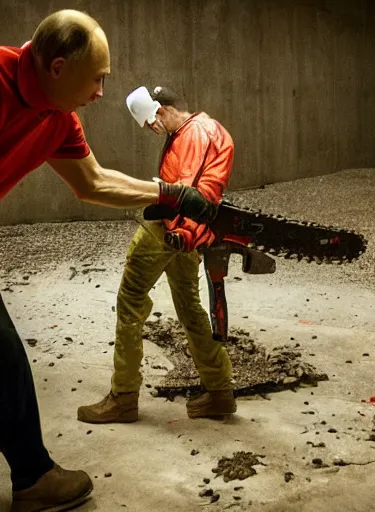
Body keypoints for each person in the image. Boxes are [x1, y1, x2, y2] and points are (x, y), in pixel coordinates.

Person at [0, 10, 215, 512]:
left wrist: (171, 194)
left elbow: (95, 183)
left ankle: (33, 476)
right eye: (97, 77)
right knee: (4, 355)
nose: (101, 91)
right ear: (57, 67)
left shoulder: (58, 120)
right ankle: (33, 479)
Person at [77, 85, 237, 424]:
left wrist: (178, 231)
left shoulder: (194, 133)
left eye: (152, 122)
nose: (153, 130)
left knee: (130, 300)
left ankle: (123, 397)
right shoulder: (199, 129)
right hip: (185, 232)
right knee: (190, 306)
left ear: (162, 110)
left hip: (170, 228)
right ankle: (220, 391)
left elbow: (189, 191)